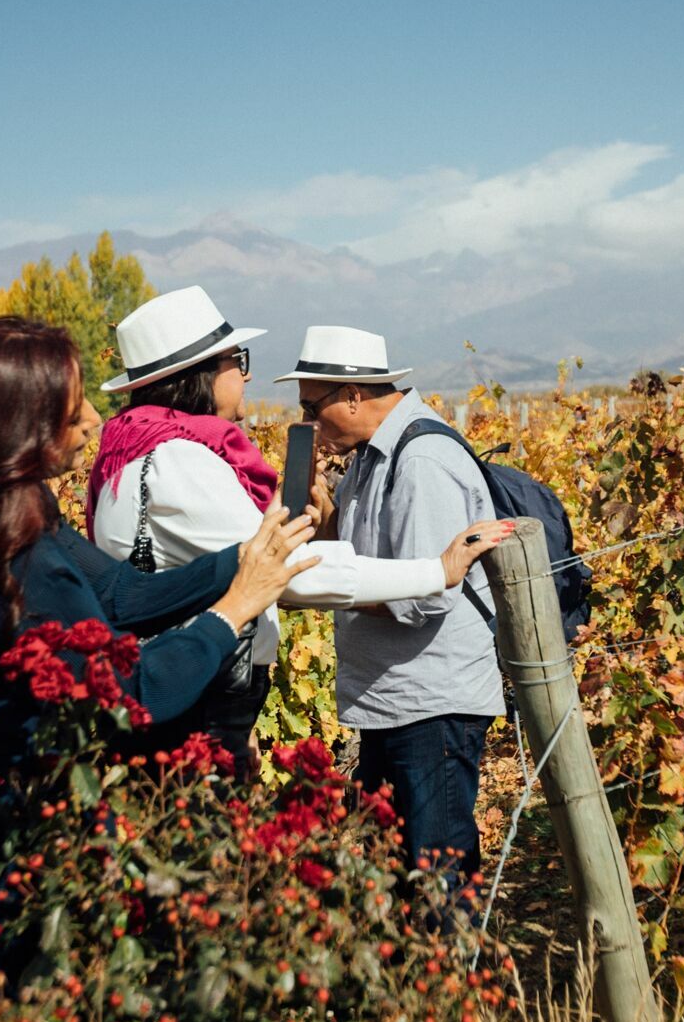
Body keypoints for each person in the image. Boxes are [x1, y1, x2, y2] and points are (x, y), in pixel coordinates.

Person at [0, 316, 320, 965]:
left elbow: (120, 594)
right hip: (1, 821)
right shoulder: (19, 568)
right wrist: (232, 610)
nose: (93, 418)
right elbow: (132, 691)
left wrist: (246, 555)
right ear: (19, 424)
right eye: (71, 408)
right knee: (8, 1021)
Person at [88, 287, 514, 775]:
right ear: (201, 375)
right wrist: (436, 571)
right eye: (235, 360)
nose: (246, 375)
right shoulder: (181, 460)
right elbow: (284, 572)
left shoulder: (132, 450)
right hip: (198, 690)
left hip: (177, 681)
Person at [279, 326, 501, 893]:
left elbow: (423, 595)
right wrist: (325, 514)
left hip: (429, 705)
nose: (307, 420)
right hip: (392, 701)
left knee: (435, 875)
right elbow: (368, 557)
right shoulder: (369, 459)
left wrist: (320, 585)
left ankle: (451, 980)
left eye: (311, 405)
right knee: (400, 872)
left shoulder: (421, 460)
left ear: (352, 396)